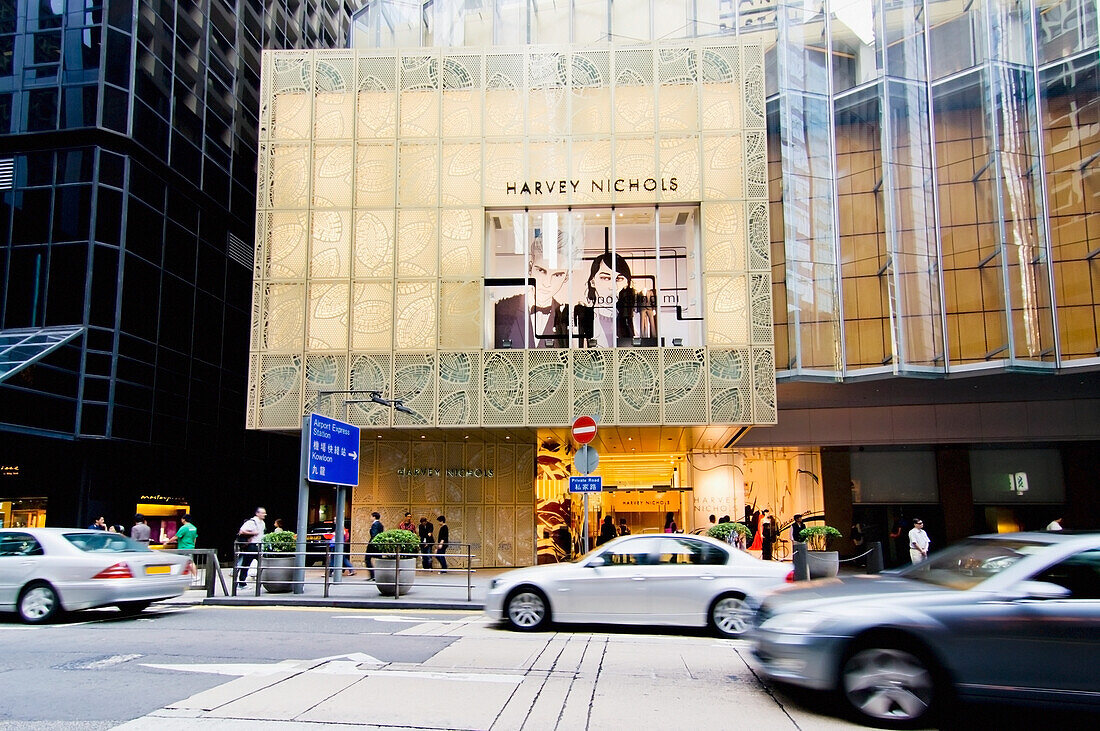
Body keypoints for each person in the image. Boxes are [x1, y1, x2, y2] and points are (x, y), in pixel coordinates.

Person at [494, 230, 571, 349]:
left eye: (557, 275)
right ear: (530, 268)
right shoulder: (502, 308)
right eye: (541, 271)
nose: (547, 283)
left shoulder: (566, 317)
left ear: (566, 277)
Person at [574, 252, 638, 347]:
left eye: (619, 279)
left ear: (627, 283)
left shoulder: (635, 318)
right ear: (592, 282)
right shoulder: (585, 318)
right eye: (605, 278)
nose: (613, 286)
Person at [236, 507, 267, 588]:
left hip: (258, 545)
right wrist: (254, 533)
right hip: (251, 546)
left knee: (262, 564)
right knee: (246, 564)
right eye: (262, 513)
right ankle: (241, 583)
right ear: (257, 513)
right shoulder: (252, 522)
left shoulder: (262, 522)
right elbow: (241, 531)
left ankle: (259, 582)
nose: (264, 514)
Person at [365, 511, 384, 579]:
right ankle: (378, 575)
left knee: (367, 559)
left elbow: (374, 535)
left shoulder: (375, 525)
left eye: (371, 516)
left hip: (372, 545)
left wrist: (372, 543)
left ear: (374, 517)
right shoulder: (381, 525)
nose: (370, 518)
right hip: (378, 545)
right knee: (379, 559)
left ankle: (373, 575)